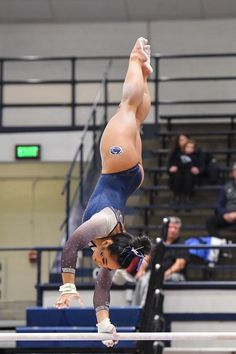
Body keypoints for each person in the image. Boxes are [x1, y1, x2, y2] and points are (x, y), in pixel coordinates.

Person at [55, 37, 153, 347]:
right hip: (119, 161)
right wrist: (67, 286)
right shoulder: (104, 224)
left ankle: (145, 73)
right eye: (103, 259)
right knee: (126, 107)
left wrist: (104, 325)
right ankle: (136, 58)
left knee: (136, 116)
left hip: (131, 175)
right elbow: (72, 243)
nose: (100, 263)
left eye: (104, 264)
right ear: (108, 243)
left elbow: (102, 290)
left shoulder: (115, 249)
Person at [113, 217, 188, 307]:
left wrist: (166, 273)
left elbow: (180, 264)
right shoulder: (157, 243)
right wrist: (141, 271)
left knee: (149, 279)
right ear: (165, 229)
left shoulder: (181, 245)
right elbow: (146, 258)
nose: (173, 230)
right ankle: (136, 307)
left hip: (172, 274)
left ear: (179, 231)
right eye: (170, 227)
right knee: (142, 279)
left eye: (176, 228)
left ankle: (145, 306)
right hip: (153, 273)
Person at [206, 162, 236, 238]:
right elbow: (220, 204)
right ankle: (217, 246)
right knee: (211, 222)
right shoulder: (226, 187)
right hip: (229, 216)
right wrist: (225, 214)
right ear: (232, 173)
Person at [169, 138, 203, 203]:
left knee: (188, 177)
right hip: (179, 172)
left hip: (189, 174)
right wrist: (173, 167)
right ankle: (177, 195)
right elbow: (174, 163)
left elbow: (198, 166)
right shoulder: (179, 155)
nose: (189, 149)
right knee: (177, 176)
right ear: (184, 147)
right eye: (188, 147)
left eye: (191, 147)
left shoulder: (195, 157)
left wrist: (196, 169)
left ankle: (187, 196)